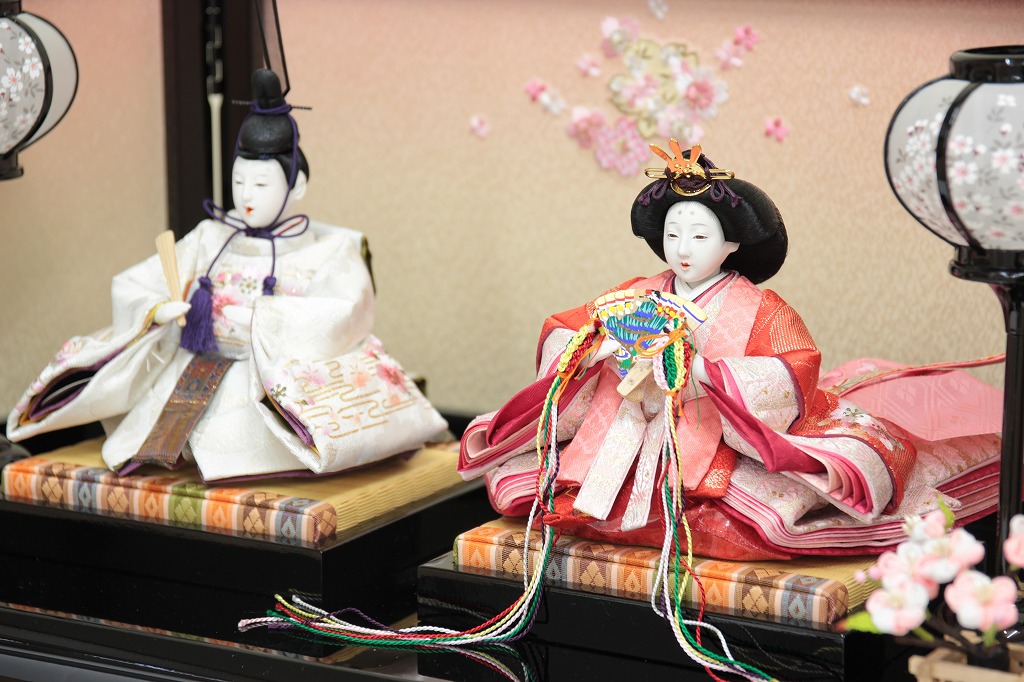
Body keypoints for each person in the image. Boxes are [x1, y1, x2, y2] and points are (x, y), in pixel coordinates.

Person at [459, 141, 1002, 559]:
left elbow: (792, 369)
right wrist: (600, 350)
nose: (682, 248)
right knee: (530, 483)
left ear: (733, 243)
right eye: (673, 234)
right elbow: (568, 330)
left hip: (714, 435)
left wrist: (703, 370)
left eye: (699, 236)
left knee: (769, 510)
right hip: (624, 427)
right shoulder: (636, 293)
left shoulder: (762, 309)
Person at [7, 69, 447, 481]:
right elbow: (138, 281)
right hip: (194, 364)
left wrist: (263, 321)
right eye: (239, 182)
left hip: (260, 375)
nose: (246, 196)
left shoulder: (330, 250)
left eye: (261, 185)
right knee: (158, 423)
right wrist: (159, 308)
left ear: (296, 185)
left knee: (247, 438)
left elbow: (344, 313)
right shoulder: (211, 236)